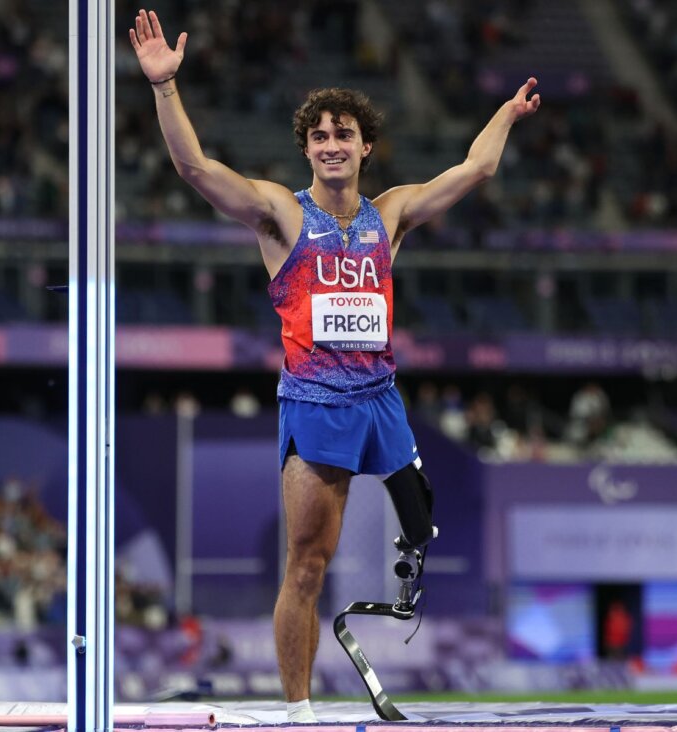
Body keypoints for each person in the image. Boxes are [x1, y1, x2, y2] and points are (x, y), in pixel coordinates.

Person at [129, 8, 541, 721]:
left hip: (382, 400)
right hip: (316, 405)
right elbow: (195, 169)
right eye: (318, 136)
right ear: (307, 151)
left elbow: (477, 168)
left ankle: (400, 579)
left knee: (421, 527)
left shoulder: (392, 214)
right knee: (308, 562)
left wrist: (504, 113)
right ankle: (299, 711)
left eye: (341, 133)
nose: (329, 145)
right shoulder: (281, 217)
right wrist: (166, 87)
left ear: (365, 147)